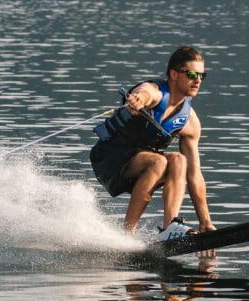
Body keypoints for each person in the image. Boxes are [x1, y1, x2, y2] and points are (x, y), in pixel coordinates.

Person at [91, 45, 216, 239]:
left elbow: (195, 175)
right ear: (174, 74)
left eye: (202, 76)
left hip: (142, 167)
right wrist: (139, 99)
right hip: (108, 159)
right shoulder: (156, 92)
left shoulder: (190, 121)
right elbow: (146, 92)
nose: (197, 80)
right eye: (192, 74)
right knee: (159, 162)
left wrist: (205, 221)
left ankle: (169, 228)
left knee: (179, 161)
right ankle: (127, 235)